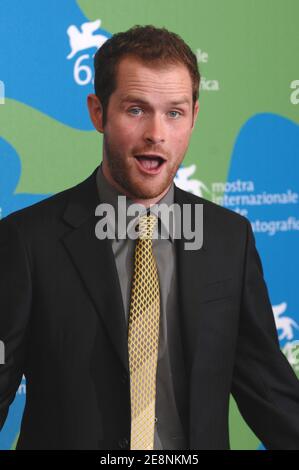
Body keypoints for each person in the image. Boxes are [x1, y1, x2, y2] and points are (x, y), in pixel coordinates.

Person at [0, 25, 299, 451]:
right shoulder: (27, 241)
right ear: (98, 112)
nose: (156, 133)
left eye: (174, 112)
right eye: (136, 110)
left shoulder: (230, 240)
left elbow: (271, 393)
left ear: (194, 116)